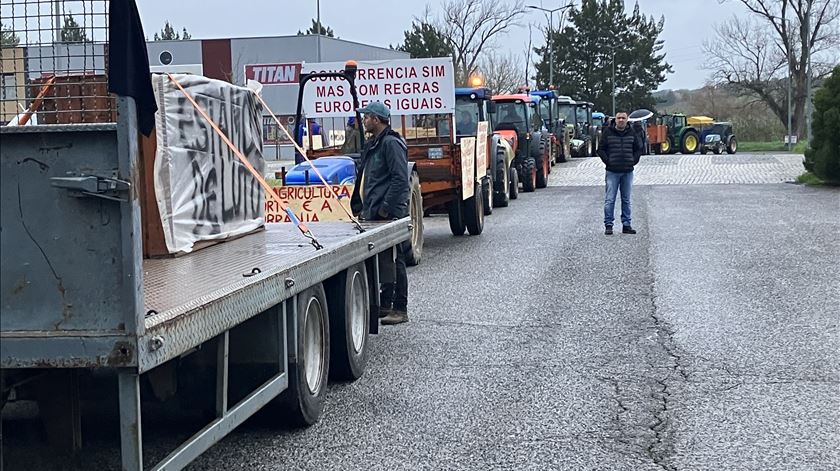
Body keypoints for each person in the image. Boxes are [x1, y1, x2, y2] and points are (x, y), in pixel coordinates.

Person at [354, 101, 410, 325]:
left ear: (376, 120)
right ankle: (385, 304)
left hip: (388, 213)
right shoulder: (374, 144)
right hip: (374, 212)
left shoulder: (390, 144)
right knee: (384, 260)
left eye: (367, 117)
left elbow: (399, 179)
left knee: (396, 259)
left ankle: (400, 308)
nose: (364, 120)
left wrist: (386, 208)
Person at [597, 111, 643, 235]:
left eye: (623, 118)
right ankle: (608, 225)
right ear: (615, 120)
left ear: (627, 119)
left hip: (627, 171)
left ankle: (626, 225)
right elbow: (600, 149)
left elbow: (638, 149)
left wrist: (633, 161)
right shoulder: (608, 133)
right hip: (612, 171)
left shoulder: (632, 133)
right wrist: (608, 161)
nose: (621, 120)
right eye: (619, 118)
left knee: (626, 199)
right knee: (610, 199)